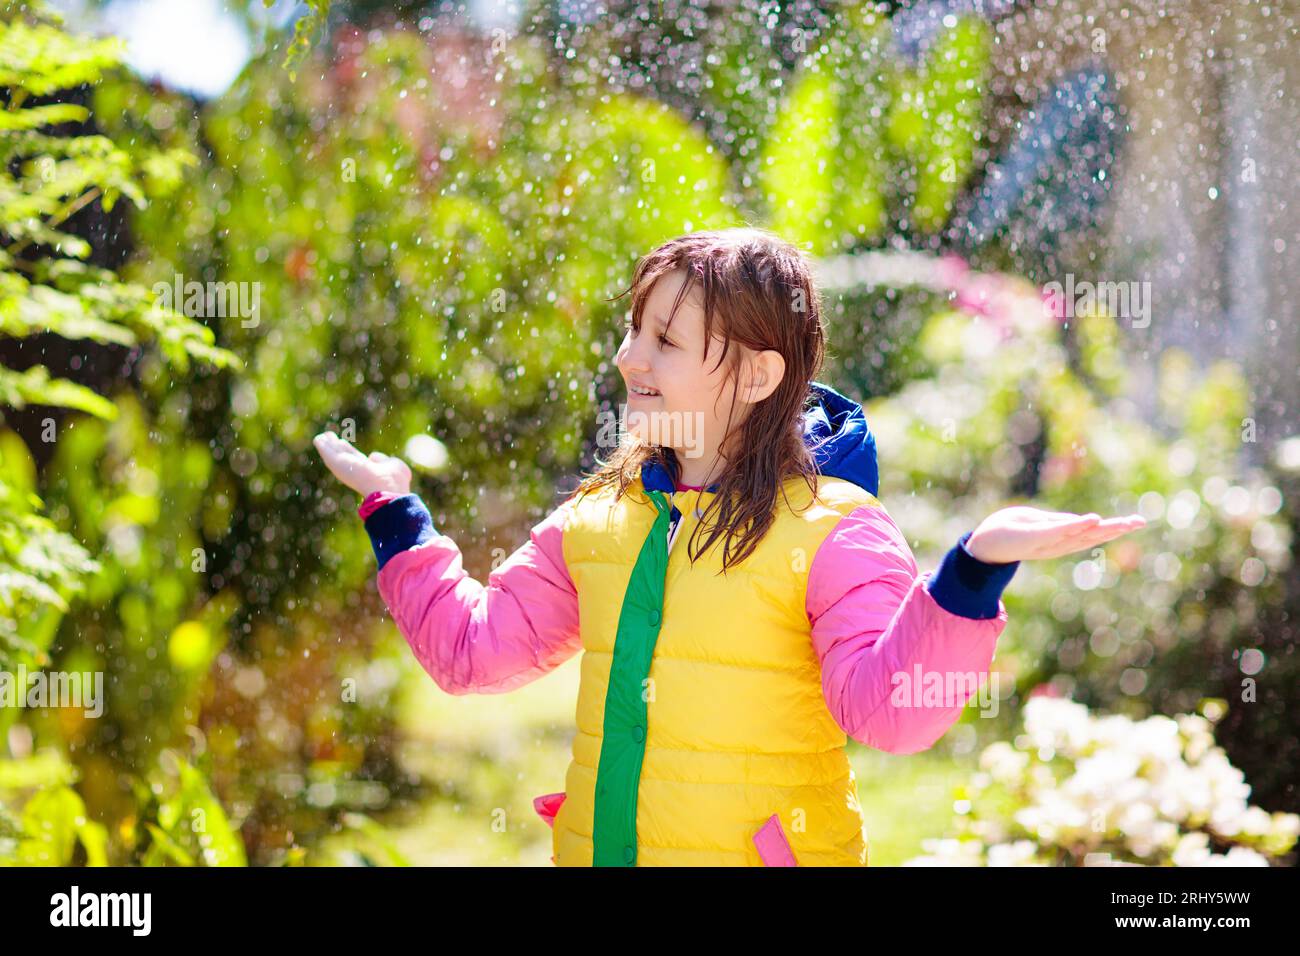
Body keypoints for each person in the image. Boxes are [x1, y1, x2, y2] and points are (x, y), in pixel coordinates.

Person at [314, 226, 1145, 866]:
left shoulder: (833, 527)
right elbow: (473, 653)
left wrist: (972, 572)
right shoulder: (602, 515)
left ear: (756, 375)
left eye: (665, 341)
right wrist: (396, 513)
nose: (628, 356)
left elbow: (891, 713)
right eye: (634, 329)